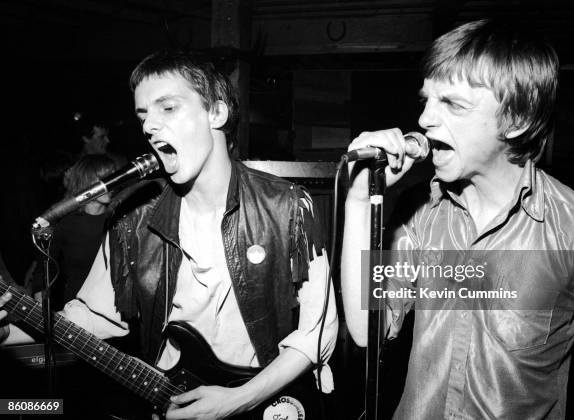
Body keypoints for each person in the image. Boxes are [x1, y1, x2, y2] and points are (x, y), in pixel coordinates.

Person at [1, 50, 337, 419]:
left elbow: (317, 334)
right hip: (172, 401)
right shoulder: (132, 219)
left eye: (168, 108)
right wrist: (11, 332)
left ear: (217, 113)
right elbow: (92, 316)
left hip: (265, 403)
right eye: (143, 115)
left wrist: (239, 400)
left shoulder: (287, 207)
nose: (148, 127)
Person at [340, 19, 574, 419]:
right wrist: (360, 200)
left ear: (515, 119)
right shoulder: (420, 215)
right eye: (427, 100)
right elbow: (367, 331)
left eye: (452, 104)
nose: (426, 120)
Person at [32, 154, 118, 309]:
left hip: (116, 307)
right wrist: (41, 304)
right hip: (78, 308)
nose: (110, 184)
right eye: (103, 179)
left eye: (113, 177)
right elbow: (45, 270)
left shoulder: (121, 218)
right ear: (84, 182)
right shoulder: (64, 222)